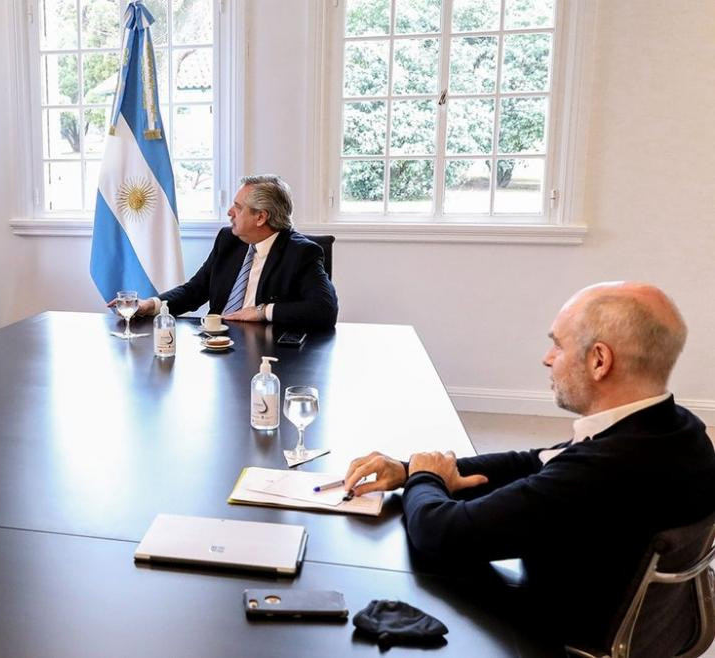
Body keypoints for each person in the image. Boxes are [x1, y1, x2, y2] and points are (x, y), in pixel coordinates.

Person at [343, 282, 715, 648]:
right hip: (641, 622)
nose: (547, 358)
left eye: (558, 344)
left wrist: (425, 477)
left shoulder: (601, 473)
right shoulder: (678, 429)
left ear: (599, 360)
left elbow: (442, 534)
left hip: (550, 633)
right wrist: (412, 468)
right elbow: (535, 462)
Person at [117, 175, 338, 329]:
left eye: (238, 207)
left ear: (261, 217)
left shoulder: (301, 253)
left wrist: (262, 311)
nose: (230, 212)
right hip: (215, 344)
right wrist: (152, 305)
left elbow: (324, 310)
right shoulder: (229, 239)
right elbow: (195, 290)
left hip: (265, 354)